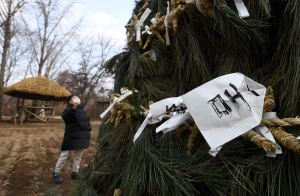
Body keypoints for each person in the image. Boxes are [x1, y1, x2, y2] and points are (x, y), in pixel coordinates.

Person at [52, 94, 92, 184]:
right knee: (64, 155)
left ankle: (75, 172)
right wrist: (73, 109)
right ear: (70, 101)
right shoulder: (69, 109)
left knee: (78, 156)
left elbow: (87, 120)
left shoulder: (82, 110)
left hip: (82, 136)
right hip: (71, 136)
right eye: (74, 97)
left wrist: (89, 128)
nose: (77, 98)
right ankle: (56, 173)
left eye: (78, 97)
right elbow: (66, 117)